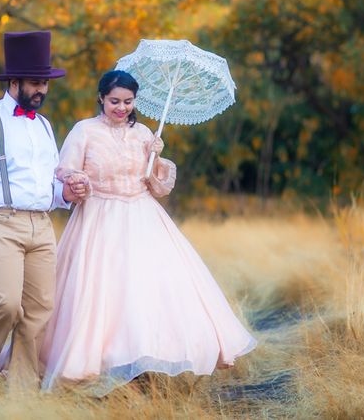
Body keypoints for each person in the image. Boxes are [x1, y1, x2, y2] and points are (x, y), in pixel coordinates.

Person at [39, 69, 258, 394]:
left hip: (143, 217)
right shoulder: (84, 130)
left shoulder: (143, 133)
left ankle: (147, 366)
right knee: (104, 291)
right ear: (101, 98)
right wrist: (79, 181)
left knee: (148, 288)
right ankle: (97, 362)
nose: (122, 108)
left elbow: (157, 188)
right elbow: (65, 170)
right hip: (99, 218)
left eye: (128, 101)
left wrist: (155, 157)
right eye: (115, 101)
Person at [0, 30, 87, 394]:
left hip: (41, 225)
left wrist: (66, 193)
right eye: (35, 83)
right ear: (14, 82)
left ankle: (22, 390)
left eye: (45, 83)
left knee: (40, 308)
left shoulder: (44, 126)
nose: (41, 90)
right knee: (6, 303)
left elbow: (48, 185)